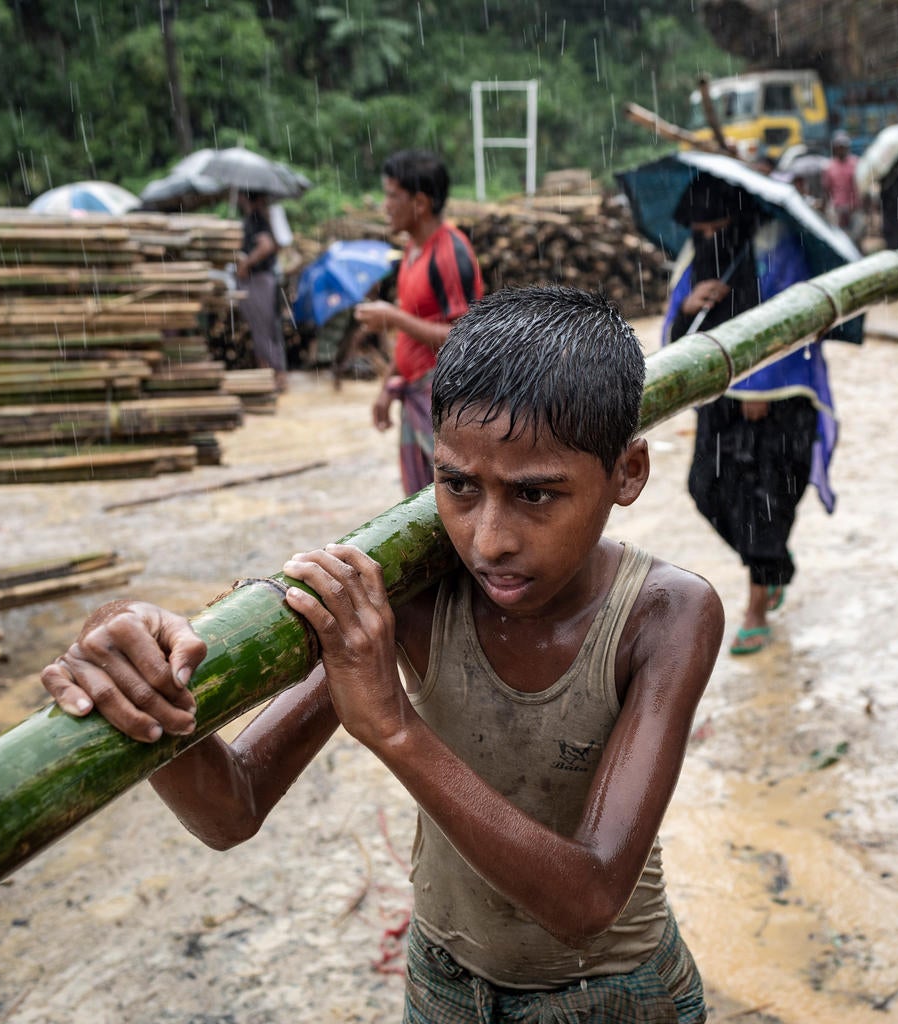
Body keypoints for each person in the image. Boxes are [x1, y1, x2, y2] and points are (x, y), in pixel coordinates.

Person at [40, 286, 724, 1021]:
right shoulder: (411, 593)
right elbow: (231, 808)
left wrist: (395, 729)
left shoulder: (664, 615)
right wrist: (137, 659)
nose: (489, 538)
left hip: (614, 992)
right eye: (458, 485)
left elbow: (588, 900)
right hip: (444, 978)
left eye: (535, 496)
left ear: (627, 473)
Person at [660, 175, 839, 656]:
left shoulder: (777, 247)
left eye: (717, 227)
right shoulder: (692, 257)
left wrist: (761, 380)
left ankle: (756, 607)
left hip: (780, 405)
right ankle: (774, 563)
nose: (708, 239)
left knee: (766, 501)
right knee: (706, 487)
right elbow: (673, 332)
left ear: (736, 218)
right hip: (719, 401)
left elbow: (797, 316)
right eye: (700, 230)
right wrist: (689, 310)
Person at [354, 150, 484, 494]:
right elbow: (411, 337)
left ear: (421, 202)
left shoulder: (449, 253)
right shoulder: (413, 251)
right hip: (414, 392)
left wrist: (393, 317)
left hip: (444, 395)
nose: (386, 205)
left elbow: (464, 337)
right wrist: (386, 387)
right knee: (420, 504)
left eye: (393, 195)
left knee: (454, 498)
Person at [234, 190, 288, 392]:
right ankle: (273, 375)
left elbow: (266, 246)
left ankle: (274, 376)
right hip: (263, 279)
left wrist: (246, 264)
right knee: (267, 329)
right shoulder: (262, 218)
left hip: (258, 281)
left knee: (263, 329)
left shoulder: (256, 219)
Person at [824, 131, 863, 244]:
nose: (841, 150)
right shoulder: (829, 167)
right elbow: (827, 188)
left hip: (855, 208)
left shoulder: (856, 163)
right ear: (835, 148)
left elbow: (861, 184)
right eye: (838, 147)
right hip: (838, 210)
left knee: (856, 238)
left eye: (843, 147)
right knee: (841, 241)